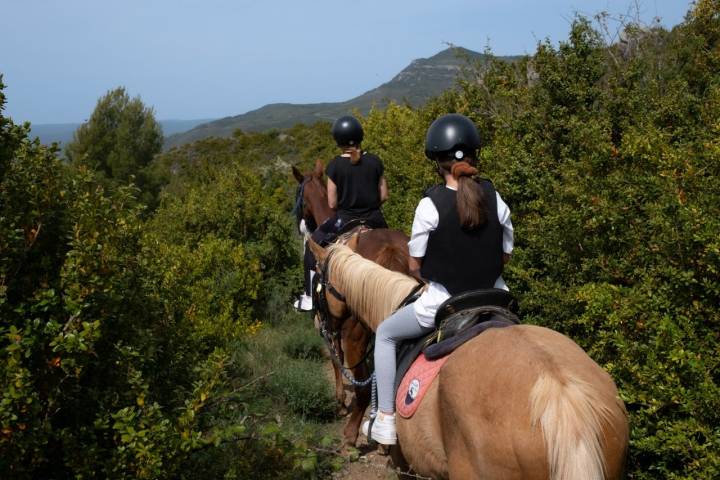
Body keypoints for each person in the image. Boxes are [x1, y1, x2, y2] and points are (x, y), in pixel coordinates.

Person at [361, 113, 514, 444]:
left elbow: (415, 264)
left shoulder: (430, 205)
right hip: (496, 299)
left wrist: (431, 274)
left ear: (436, 162)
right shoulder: (496, 197)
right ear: (475, 155)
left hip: (443, 303)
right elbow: (505, 254)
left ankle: (386, 418)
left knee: (386, 334)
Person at [294, 115, 389, 311]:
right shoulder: (375, 161)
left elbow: (332, 202)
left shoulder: (335, 166)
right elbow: (384, 195)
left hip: (344, 221)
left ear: (338, 141)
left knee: (311, 251)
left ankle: (309, 298)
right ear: (360, 136)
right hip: (375, 219)